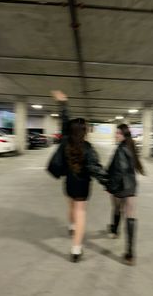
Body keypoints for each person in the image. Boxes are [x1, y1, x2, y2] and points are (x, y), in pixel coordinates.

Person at [50, 90, 108, 263]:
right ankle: (76, 249)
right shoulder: (88, 148)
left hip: (68, 183)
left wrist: (63, 104)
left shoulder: (66, 142)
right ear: (84, 132)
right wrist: (109, 184)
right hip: (82, 185)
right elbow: (96, 168)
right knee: (80, 211)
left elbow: (64, 123)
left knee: (71, 206)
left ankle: (71, 226)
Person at [107, 124, 145, 265]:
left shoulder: (120, 149)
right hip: (132, 186)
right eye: (116, 132)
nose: (116, 135)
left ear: (124, 134)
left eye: (118, 133)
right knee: (130, 215)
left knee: (117, 208)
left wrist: (109, 186)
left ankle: (115, 231)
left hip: (120, 186)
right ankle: (130, 254)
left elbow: (118, 170)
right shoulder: (131, 146)